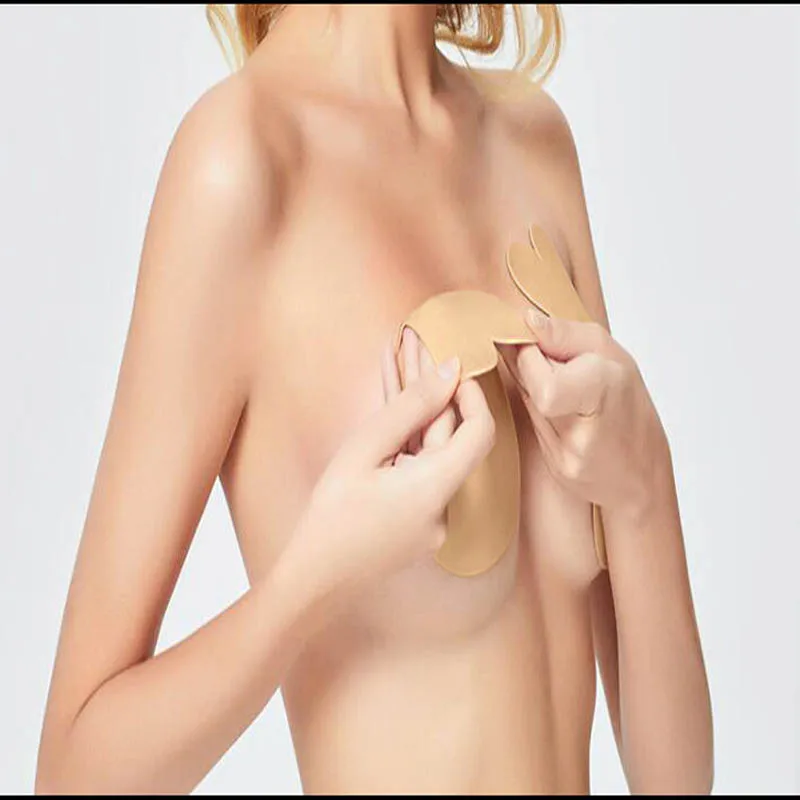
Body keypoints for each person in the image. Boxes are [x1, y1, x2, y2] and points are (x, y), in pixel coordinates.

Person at [35, 4, 713, 794]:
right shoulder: (242, 164)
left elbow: (676, 781)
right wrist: (315, 582)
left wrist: (644, 489)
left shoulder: (533, 140)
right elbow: (70, 774)